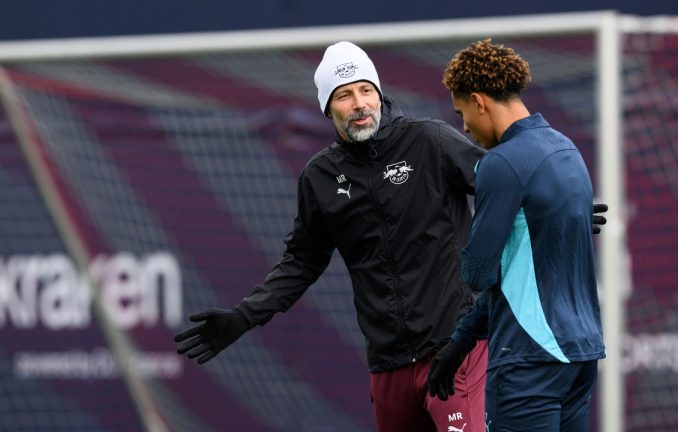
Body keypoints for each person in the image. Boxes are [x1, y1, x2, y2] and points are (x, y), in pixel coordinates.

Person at [174, 41, 606, 432]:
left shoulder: (429, 140)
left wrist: (562, 212)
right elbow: (301, 263)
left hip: (456, 353)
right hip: (387, 368)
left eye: (366, 90)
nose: (360, 104)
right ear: (327, 108)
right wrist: (244, 316)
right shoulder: (320, 178)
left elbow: (511, 184)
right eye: (344, 95)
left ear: (379, 93)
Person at [427, 39, 606, 432]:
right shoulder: (566, 149)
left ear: (479, 101)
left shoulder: (502, 163)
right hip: (579, 358)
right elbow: (518, 278)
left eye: (462, 114)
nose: (466, 128)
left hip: (528, 361)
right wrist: (460, 344)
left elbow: (478, 273)